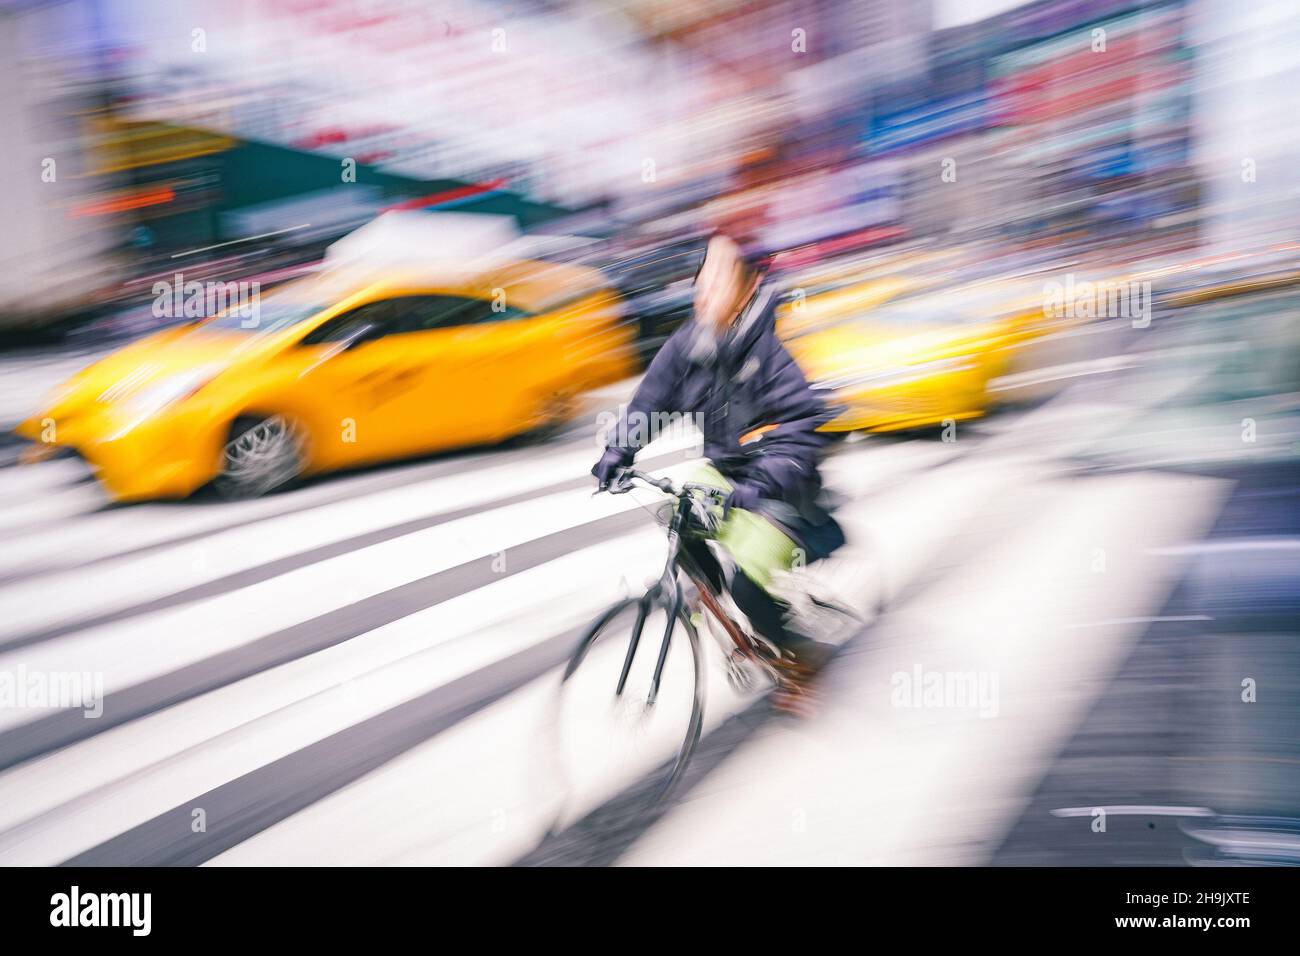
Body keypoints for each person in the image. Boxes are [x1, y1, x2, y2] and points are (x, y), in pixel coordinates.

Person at [592, 233, 845, 698]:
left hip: (781, 488)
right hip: (724, 472)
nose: (705, 288)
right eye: (703, 277)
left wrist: (762, 483)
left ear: (748, 288)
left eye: (720, 278)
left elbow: (802, 427)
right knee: (680, 514)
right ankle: (711, 604)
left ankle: (797, 658)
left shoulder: (770, 352)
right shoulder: (689, 343)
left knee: (748, 589)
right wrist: (618, 451)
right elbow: (652, 402)